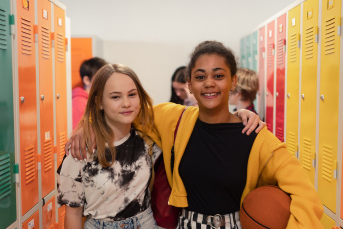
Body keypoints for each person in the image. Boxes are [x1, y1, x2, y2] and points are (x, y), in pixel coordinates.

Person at [68, 41, 322, 228]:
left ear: (233, 82)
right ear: (190, 84)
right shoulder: (173, 119)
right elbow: (125, 112)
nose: (209, 83)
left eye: (219, 76)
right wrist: (86, 125)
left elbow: (306, 197)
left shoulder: (255, 136)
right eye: (200, 77)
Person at [59, 64, 161, 228]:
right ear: (99, 102)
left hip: (145, 222)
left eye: (132, 95)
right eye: (115, 97)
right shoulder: (81, 149)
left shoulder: (149, 138)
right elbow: (73, 213)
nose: (126, 103)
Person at [72, 57, 107, 130]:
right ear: (87, 80)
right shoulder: (79, 102)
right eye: (100, 78)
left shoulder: (95, 99)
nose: (105, 81)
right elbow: (77, 135)